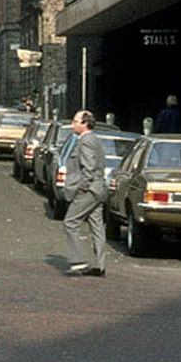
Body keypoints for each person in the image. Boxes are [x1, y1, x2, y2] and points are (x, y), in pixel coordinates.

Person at [63, 109, 107, 277]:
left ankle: (78, 260)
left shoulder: (86, 141)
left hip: (88, 190)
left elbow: (88, 168)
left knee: (70, 222)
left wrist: (82, 187)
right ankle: (99, 265)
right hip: (98, 189)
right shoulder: (95, 140)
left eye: (75, 121)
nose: (72, 124)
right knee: (97, 226)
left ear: (85, 124)